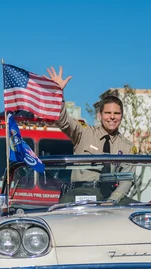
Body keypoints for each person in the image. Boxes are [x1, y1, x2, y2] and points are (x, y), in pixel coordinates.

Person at [45, 66, 136, 205]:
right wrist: (58, 93)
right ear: (99, 115)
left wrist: (112, 200)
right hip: (81, 193)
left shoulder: (127, 147)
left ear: (122, 116)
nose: (112, 117)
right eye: (108, 113)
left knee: (138, 209)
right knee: (63, 208)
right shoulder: (83, 132)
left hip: (110, 196)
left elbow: (127, 180)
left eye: (116, 114)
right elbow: (62, 120)